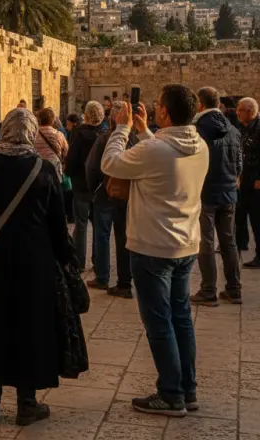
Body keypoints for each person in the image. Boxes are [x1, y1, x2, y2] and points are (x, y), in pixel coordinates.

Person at [0, 109, 71, 428]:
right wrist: (63, 261)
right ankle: (27, 404)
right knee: (30, 328)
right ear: (32, 133)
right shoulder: (44, 169)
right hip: (34, 265)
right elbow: (57, 223)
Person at [101, 87, 209, 417]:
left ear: (164, 112)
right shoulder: (199, 146)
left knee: (159, 322)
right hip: (186, 243)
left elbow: (111, 164)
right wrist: (143, 131)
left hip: (152, 246)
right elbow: (165, 155)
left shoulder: (154, 149)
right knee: (181, 319)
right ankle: (187, 390)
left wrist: (121, 128)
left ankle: (171, 394)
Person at [191, 87, 242, 305]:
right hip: (229, 191)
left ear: (200, 104)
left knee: (207, 243)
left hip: (206, 192)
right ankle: (234, 289)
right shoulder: (233, 129)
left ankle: (208, 290)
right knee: (229, 242)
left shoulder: (197, 130)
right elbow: (239, 162)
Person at [85, 101, 135, 298]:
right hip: (130, 194)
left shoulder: (106, 138)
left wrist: (94, 188)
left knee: (102, 234)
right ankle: (126, 280)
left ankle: (103, 276)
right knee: (125, 237)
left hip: (106, 192)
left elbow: (92, 166)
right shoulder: (137, 139)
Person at [65, 101, 106, 271]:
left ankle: (79, 262)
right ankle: (98, 262)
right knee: (98, 225)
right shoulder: (104, 135)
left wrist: (69, 172)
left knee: (80, 225)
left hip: (81, 185)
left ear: (87, 115)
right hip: (98, 186)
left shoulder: (79, 134)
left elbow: (72, 159)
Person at [237, 97, 260, 268]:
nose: (237, 113)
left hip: (256, 182)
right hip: (245, 181)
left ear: (250, 111)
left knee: (257, 221)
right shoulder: (244, 129)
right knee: (241, 217)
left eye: (241, 110)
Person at [34, 107, 68, 180]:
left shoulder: (33, 135)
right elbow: (66, 153)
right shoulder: (59, 135)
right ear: (53, 120)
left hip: (36, 170)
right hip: (55, 169)